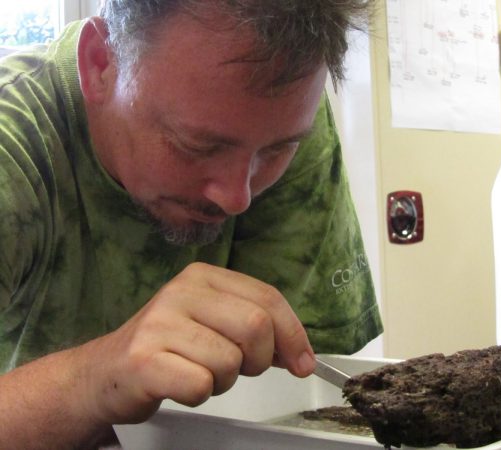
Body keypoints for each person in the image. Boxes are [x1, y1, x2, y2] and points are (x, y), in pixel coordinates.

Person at [0, 0, 383, 448]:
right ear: (100, 64)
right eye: (196, 146)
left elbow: (303, 407)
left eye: (276, 152)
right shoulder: (14, 151)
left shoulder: (274, 115)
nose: (237, 195)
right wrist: (94, 378)